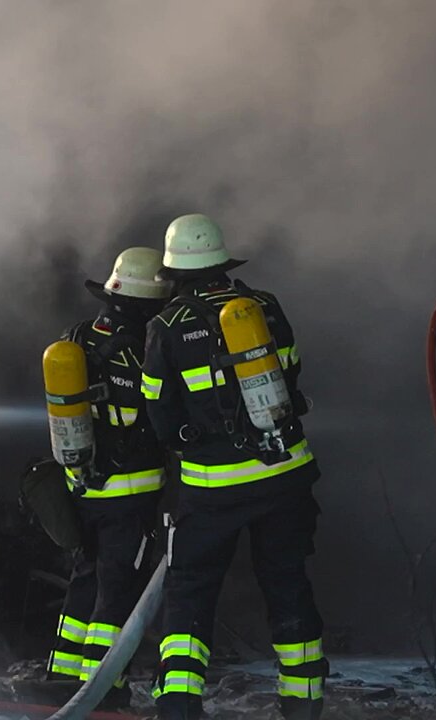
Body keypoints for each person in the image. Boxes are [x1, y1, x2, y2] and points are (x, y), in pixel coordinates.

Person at [142, 214, 326, 720]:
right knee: (288, 584)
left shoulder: (166, 327)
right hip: (284, 473)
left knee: (190, 591)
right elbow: (290, 373)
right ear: (223, 263)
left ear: (176, 271)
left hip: (212, 488)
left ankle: (179, 706)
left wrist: (187, 437)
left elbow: (158, 409)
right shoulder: (264, 306)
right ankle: (304, 702)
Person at [42, 247, 171, 707]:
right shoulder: (146, 346)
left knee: (85, 578)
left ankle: (61, 677)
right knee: (116, 590)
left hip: (83, 486)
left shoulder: (78, 335)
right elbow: (161, 413)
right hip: (130, 492)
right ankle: (103, 688)